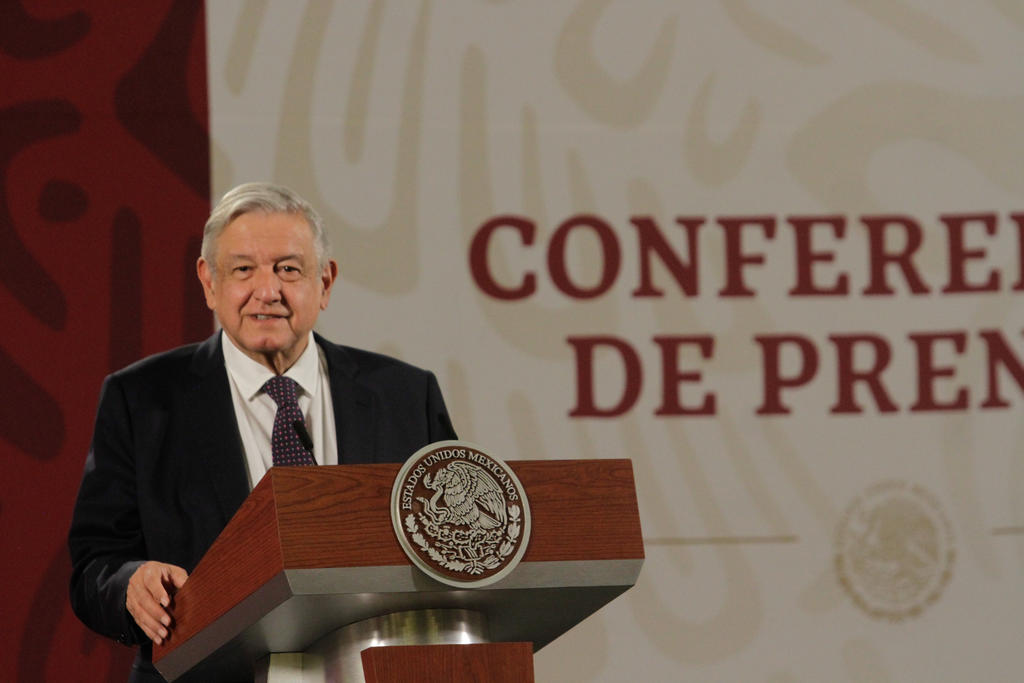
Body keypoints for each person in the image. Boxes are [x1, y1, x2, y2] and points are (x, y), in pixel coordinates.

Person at [68, 182, 457, 682]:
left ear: (325, 282)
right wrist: (130, 585)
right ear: (209, 282)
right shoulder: (142, 400)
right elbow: (94, 565)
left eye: (288, 269)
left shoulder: (405, 397)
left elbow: (456, 541)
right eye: (243, 270)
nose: (267, 291)